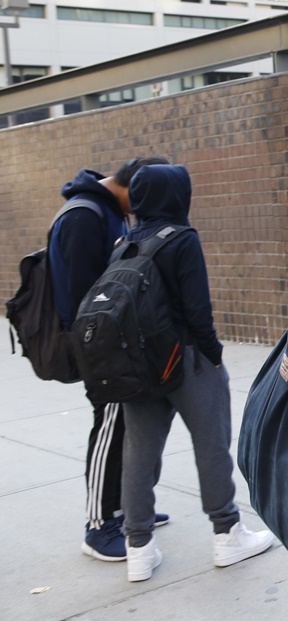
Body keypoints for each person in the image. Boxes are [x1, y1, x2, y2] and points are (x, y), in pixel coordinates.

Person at [120, 163, 275, 582]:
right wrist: (213, 356)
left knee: (138, 454)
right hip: (186, 358)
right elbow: (197, 308)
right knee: (210, 444)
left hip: (138, 365)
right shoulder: (182, 239)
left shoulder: (126, 242)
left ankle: (138, 547)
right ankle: (227, 534)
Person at [47, 158, 170, 562]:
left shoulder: (105, 210)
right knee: (109, 428)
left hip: (110, 342)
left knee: (125, 428)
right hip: (98, 345)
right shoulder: (85, 215)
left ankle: (129, 511)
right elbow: (86, 296)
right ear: (131, 187)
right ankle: (99, 526)